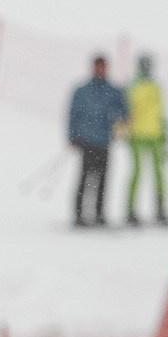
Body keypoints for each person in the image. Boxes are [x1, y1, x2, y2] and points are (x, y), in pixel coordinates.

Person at [64, 55, 128, 228]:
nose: (100, 69)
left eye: (103, 66)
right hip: (86, 141)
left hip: (104, 141)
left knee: (103, 180)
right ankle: (79, 214)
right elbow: (73, 114)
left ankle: (99, 214)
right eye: (97, 66)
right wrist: (72, 136)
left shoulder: (113, 90)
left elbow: (123, 111)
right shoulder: (82, 90)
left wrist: (121, 125)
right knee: (84, 178)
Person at [123, 53, 168, 227]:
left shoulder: (156, 87)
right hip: (136, 135)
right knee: (137, 172)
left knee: (158, 174)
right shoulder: (132, 86)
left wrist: (165, 135)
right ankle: (130, 209)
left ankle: (160, 209)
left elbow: (161, 112)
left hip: (155, 135)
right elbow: (126, 111)